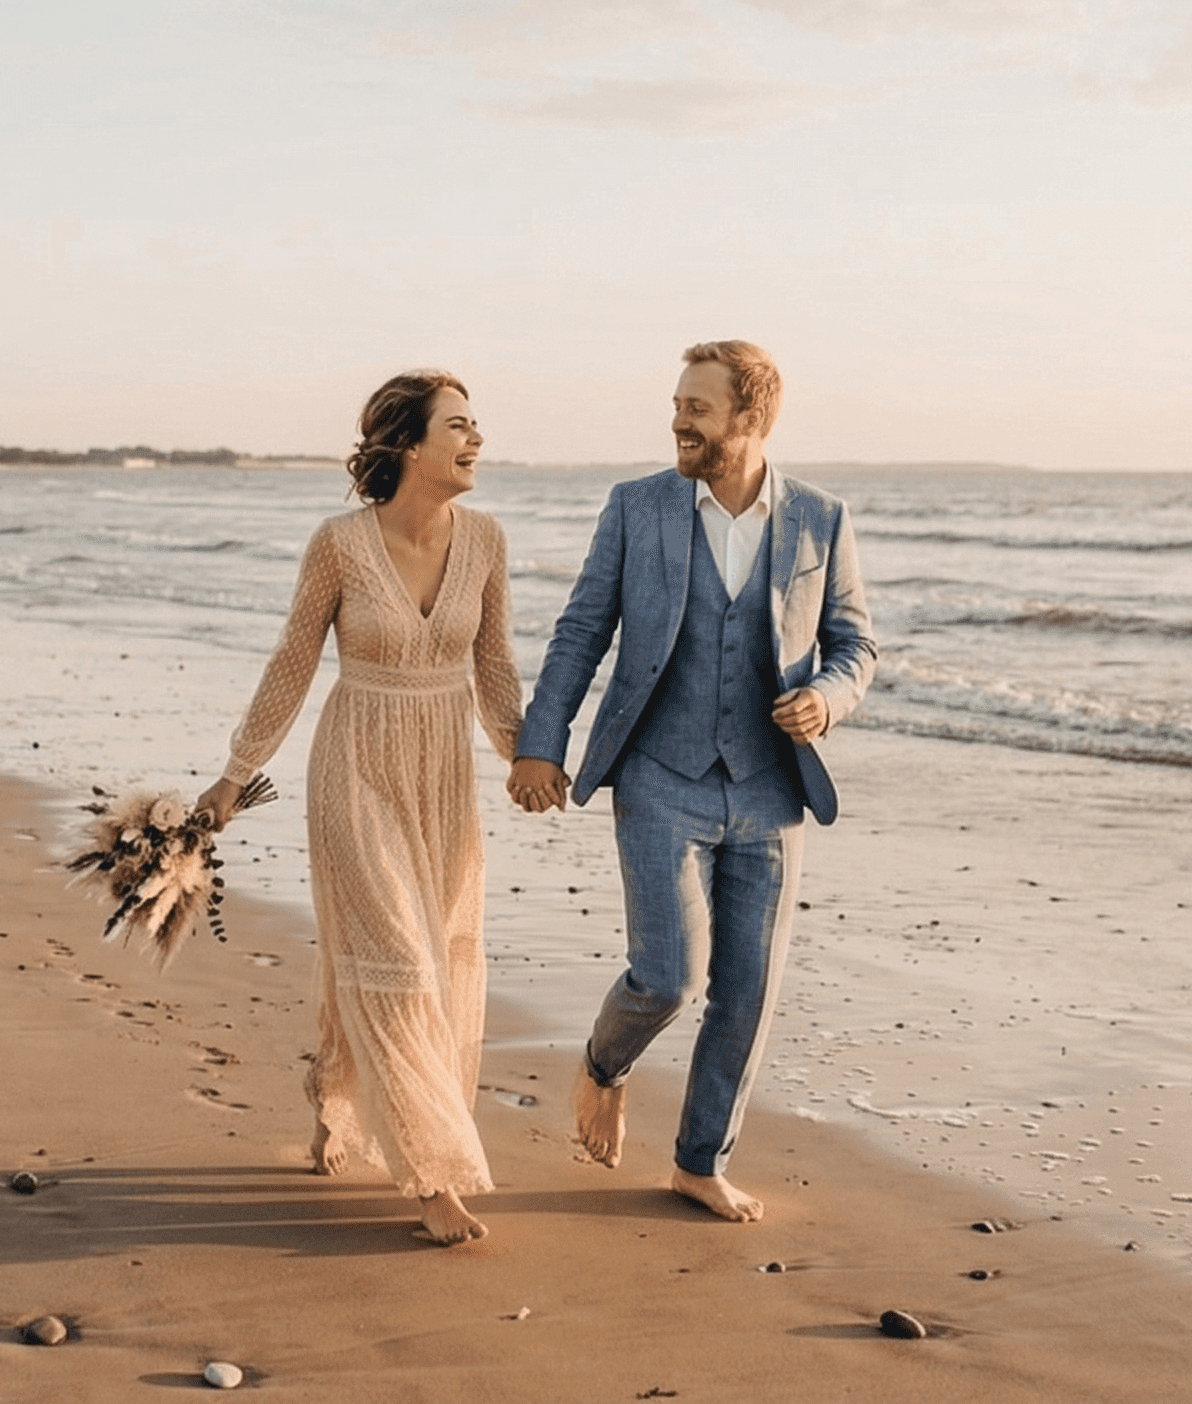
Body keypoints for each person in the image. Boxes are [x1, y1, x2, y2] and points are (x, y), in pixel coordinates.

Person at [507, 340, 875, 1222]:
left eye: (697, 408)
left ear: (751, 418)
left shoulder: (821, 519)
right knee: (668, 978)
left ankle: (699, 1161)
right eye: (677, 405)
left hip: (769, 789)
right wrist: (540, 744)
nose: (678, 421)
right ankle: (603, 1065)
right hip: (659, 774)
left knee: (747, 994)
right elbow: (581, 631)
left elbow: (856, 644)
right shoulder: (637, 508)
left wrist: (825, 700)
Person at [196, 371, 521, 1246]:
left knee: (432, 958)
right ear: (409, 445)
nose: (476, 438)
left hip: (442, 776)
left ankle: (332, 1094)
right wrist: (236, 773)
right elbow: (293, 661)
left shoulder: (486, 540)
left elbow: (495, 666)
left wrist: (526, 756)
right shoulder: (340, 544)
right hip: (356, 768)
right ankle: (433, 1178)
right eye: (458, 425)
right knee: (400, 962)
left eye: (475, 424)